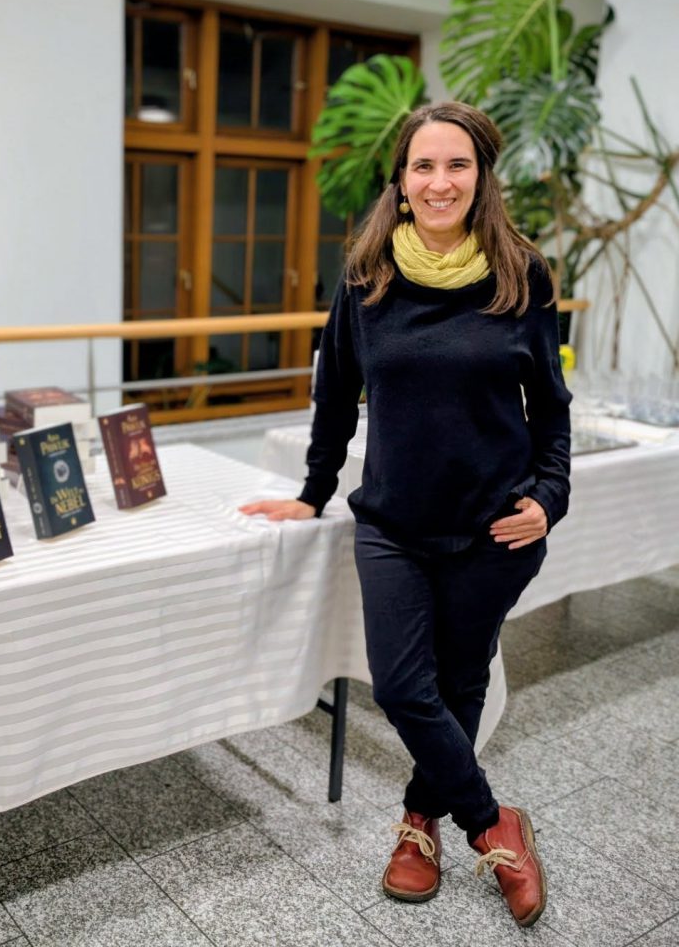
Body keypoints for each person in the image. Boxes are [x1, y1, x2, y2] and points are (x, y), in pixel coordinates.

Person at [241, 101, 570, 928]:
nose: (439, 182)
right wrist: (312, 492)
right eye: (424, 166)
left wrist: (548, 498)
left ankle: (419, 827)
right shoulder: (367, 277)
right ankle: (492, 824)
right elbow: (334, 396)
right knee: (399, 685)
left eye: (457, 165)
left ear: (481, 177)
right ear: (401, 179)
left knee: (461, 681)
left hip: (496, 528)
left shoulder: (523, 275)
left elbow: (551, 410)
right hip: (393, 524)